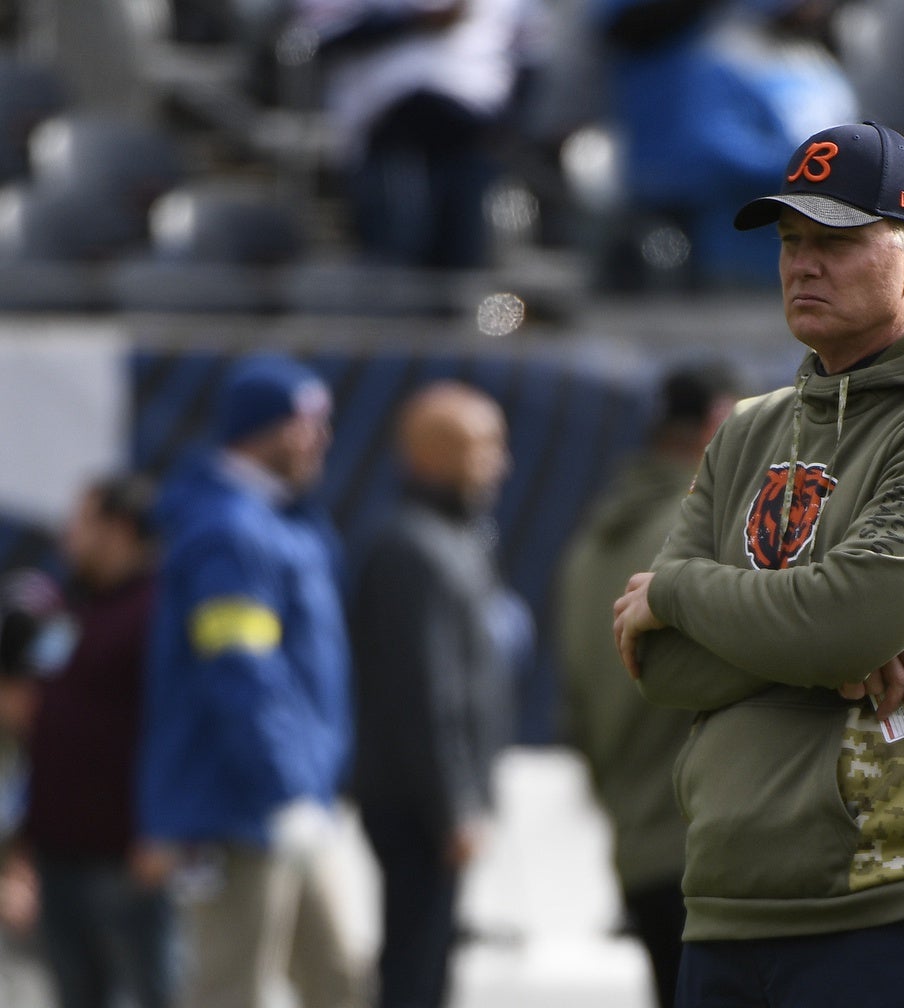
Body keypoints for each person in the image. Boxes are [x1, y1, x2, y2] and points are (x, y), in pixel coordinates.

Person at [612, 121, 904, 1007]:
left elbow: (841, 622)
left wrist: (684, 593)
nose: (803, 264)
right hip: (731, 910)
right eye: (791, 240)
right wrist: (813, 638)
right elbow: (664, 662)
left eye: (838, 240)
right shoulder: (748, 430)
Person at [137, 354, 360, 1008]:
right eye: (307, 422)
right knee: (230, 990)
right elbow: (239, 669)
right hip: (237, 807)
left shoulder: (272, 522)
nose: (320, 439)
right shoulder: (230, 531)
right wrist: (285, 786)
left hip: (288, 798)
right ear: (263, 427)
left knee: (339, 977)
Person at [556, 362, 741, 1008]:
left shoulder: (587, 547)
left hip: (639, 846)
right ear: (720, 423)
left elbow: (574, 709)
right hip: (717, 848)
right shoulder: (709, 529)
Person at [347, 380, 517, 1008]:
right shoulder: (411, 548)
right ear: (427, 455)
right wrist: (454, 808)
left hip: (429, 801)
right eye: (481, 445)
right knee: (415, 969)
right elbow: (424, 696)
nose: (499, 461)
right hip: (415, 805)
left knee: (432, 960)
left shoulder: (452, 540)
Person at [11, 475, 174, 1008]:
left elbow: (180, 730)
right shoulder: (72, 610)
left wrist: (165, 832)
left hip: (129, 860)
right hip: (59, 854)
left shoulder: (160, 613)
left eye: (81, 524)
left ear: (119, 530)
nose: (68, 539)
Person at [593, 0, 857, 289]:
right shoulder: (715, 62)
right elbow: (719, 153)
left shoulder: (808, 61)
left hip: (805, 237)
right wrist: (821, 167)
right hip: (723, 238)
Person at [295, 0, 547, 268]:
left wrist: (512, 125)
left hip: (473, 130)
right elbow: (316, 37)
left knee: (462, 257)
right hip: (383, 129)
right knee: (394, 255)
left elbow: (532, 53)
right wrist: (414, 20)